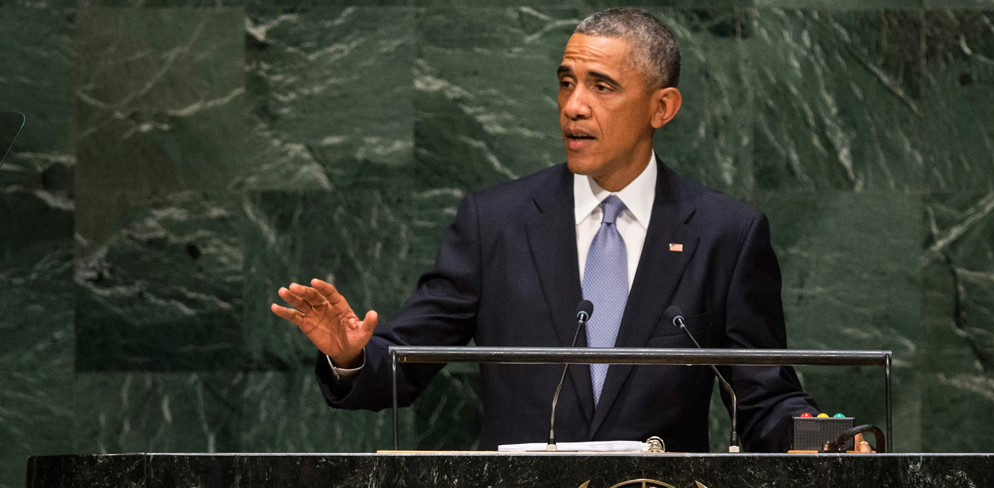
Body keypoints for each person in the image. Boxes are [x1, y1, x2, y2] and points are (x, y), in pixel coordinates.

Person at [272, 9, 868, 453]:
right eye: (566, 82)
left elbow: (764, 396)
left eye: (601, 86)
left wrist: (834, 442)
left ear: (662, 108)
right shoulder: (495, 223)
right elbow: (404, 366)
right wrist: (351, 356)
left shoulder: (725, 234)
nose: (573, 106)